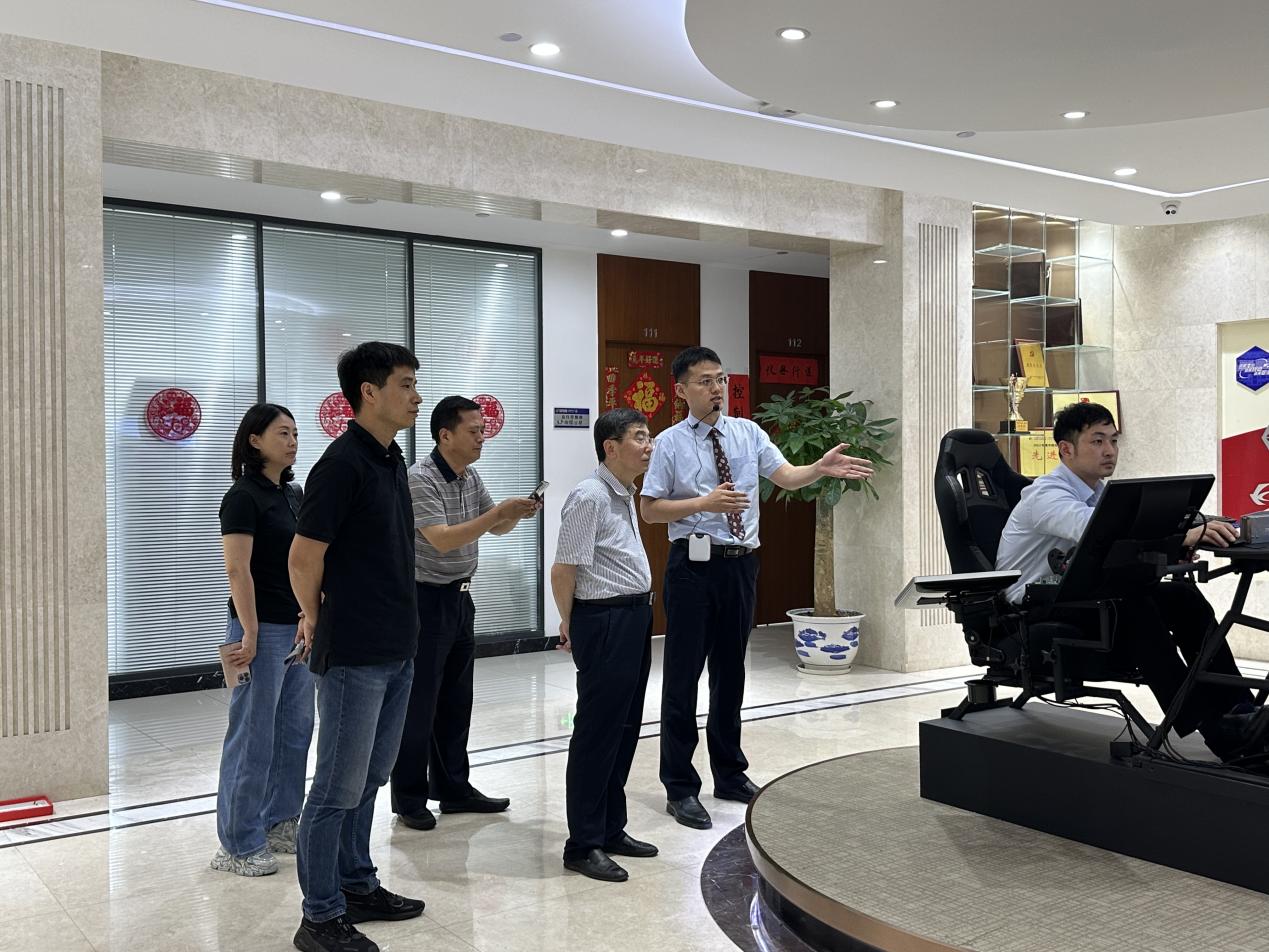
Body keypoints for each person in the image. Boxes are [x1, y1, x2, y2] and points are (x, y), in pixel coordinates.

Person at [641, 346, 875, 829]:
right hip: (692, 567)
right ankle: (680, 787)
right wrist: (702, 503)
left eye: (721, 379)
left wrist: (819, 468)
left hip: (741, 565)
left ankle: (729, 773)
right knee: (683, 677)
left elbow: (785, 476)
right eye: (705, 381)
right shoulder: (668, 443)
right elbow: (650, 509)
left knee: (731, 672)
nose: (716, 389)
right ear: (681, 390)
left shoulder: (748, 433)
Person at [995, 400, 1268, 761]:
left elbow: (1118, 543)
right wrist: (1181, 536)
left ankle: (1241, 712)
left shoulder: (1100, 494)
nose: (1110, 450)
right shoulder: (1046, 495)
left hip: (1083, 593)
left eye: (1113, 440)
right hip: (1035, 606)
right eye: (1097, 441)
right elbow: (1096, 532)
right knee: (1133, 608)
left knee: (1184, 599)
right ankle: (1215, 730)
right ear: (1066, 449)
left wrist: (1184, 535)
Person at [288, 342, 425, 952]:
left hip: (397, 645)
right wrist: (317, 619)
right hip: (354, 654)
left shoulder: (390, 458)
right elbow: (303, 557)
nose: (415, 396)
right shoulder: (340, 464)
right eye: (405, 384)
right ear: (369, 393)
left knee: (370, 778)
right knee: (334, 790)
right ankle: (319, 918)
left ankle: (356, 884)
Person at [389, 396, 540, 830]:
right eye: (473, 431)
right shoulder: (420, 478)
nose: (481, 438)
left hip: (459, 598)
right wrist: (498, 513)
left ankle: (454, 788)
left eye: (482, 430)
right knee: (420, 703)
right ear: (445, 435)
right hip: (426, 600)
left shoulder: (468, 476)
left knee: (456, 701)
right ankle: (409, 798)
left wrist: (516, 513)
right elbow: (441, 539)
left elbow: (496, 527)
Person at [553, 408, 658, 883]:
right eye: (639, 437)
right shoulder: (589, 496)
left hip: (633, 617)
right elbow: (563, 570)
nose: (649, 445)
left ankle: (611, 828)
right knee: (597, 732)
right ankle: (583, 844)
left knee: (625, 727)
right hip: (605, 619)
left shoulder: (623, 493)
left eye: (649, 436)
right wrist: (571, 624)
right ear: (610, 447)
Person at [211, 403, 314, 877]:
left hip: (296, 628)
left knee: (295, 730)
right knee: (253, 735)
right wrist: (249, 632)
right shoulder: (242, 497)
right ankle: (237, 842)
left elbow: (305, 561)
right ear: (254, 440)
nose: (292, 441)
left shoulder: (292, 494)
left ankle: (280, 822)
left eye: (294, 434)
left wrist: (309, 614)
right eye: (282, 433)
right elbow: (238, 570)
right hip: (258, 631)